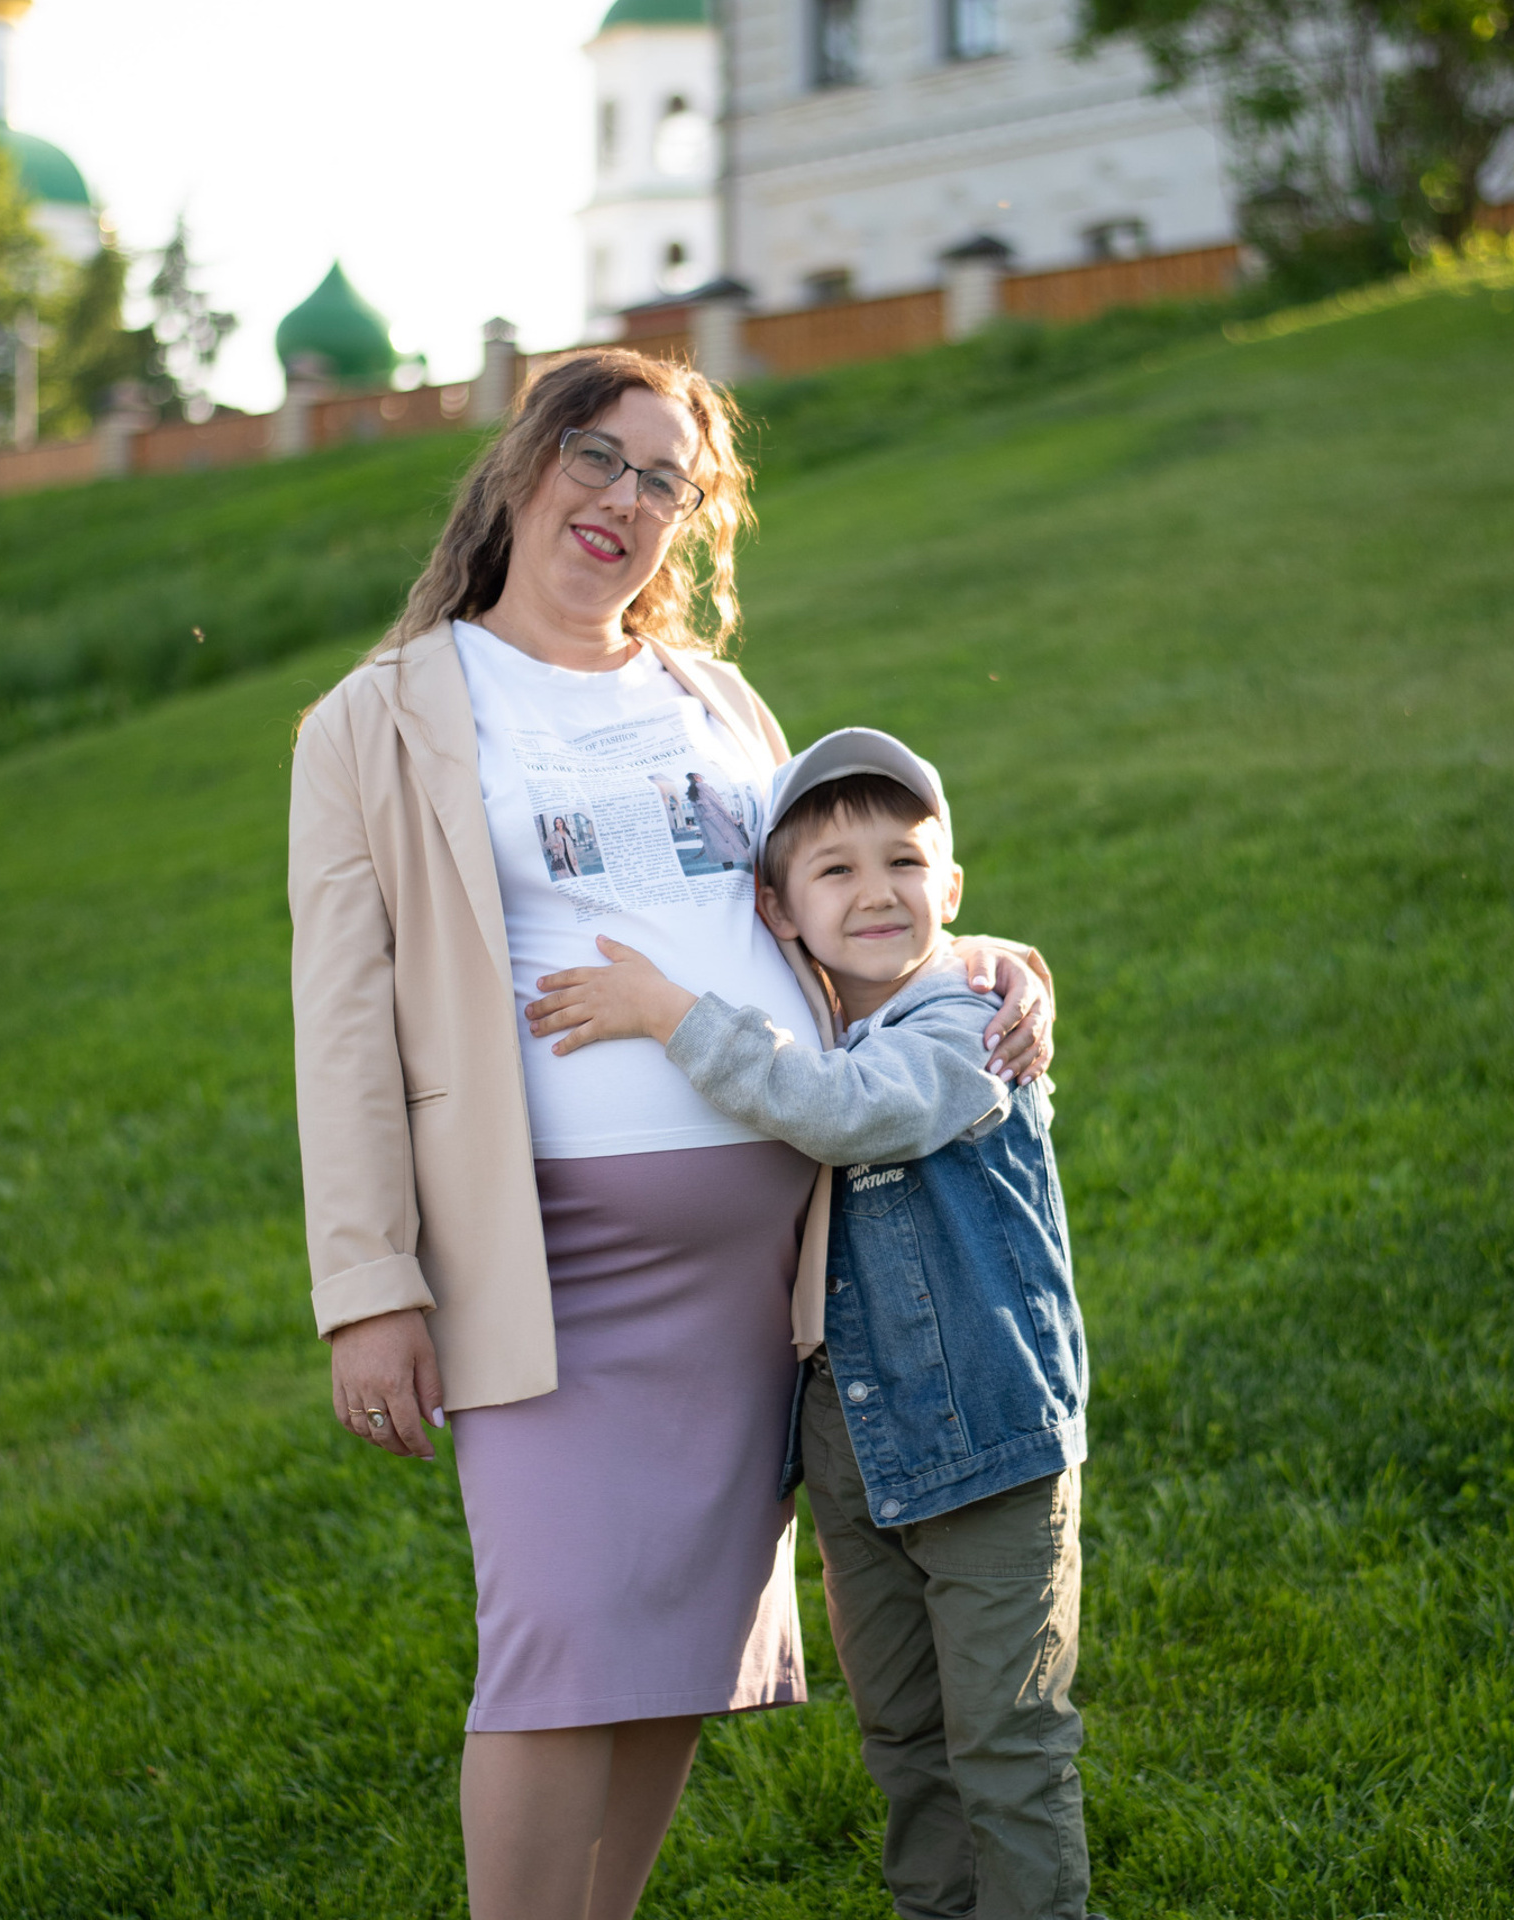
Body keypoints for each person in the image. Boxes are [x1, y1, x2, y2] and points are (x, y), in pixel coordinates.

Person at [287, 350, 1057, 1920]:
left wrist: (976, 963)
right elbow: (344, 1024)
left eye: (667, 482)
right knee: (560, 1636)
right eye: (600, 457)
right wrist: (371, 1283)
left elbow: (830, 910)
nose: (625, 502)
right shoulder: (378, 720)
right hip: (551, 1258)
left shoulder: (711, 700)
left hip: (765, 1274)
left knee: (674, 1646)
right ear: (523, 464)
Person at [524, 727, 1091, 1920]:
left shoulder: (969, 1030)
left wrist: (667, 1011)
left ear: (950, 886)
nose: (876, 890)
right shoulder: (840, 1016)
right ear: (778, 910)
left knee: (1005, 1746)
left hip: (983, 1435)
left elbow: (839, 1111)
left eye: (903, 862)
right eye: (836, 871)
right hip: (853, 1452)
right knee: (906, 1741)